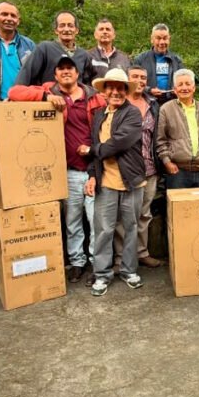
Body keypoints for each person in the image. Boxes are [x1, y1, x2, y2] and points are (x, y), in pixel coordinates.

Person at [9, 56, 107, 283]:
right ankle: (76, 262)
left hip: (93, 169)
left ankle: (96, 263)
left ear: (77, 73)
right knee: (72, 221)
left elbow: (104, 133)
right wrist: (45, 96)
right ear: (55, 74)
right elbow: (14, 93)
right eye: (60, 69)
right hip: (68, 170)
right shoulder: (49, 91)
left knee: (96, 221)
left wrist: (95, 168)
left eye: (70, 68)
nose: (65, 72)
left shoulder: (94, 97)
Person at [78, 69, 146, 297]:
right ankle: (102, 274)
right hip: (105, 182)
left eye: (120, 88)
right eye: (111, 87)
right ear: (104, 91)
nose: (115, 92)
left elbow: (119, 142)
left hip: (131, 181)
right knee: (104, 230)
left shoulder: (133, 114)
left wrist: (91, 150)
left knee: (130, 227)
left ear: (126, 91)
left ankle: (128, 271)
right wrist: (92, 174)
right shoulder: (99, 115)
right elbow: (96, 150)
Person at [114, 65, 164, 270]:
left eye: (143, 78)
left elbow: (156, 136)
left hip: (149, 168)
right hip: (124, 169)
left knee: (144, 213)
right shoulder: (119, 103)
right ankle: (120, 257)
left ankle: (141, 252)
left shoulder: (153, 104)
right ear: (127, 79)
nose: (140, 81)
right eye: (135, 77)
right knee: (122, 216)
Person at [156, 69, 199, 189]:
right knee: (178, 207)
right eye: (180, 84)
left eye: (188, 84)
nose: (184, 88)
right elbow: (160, 139)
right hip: (178, 171)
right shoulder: (166, 109)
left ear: (194, 88)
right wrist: (167, 162)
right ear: (175, 89)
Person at [15, 11, 90, 86]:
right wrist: (15, 92)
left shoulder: (84, 55)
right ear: (56, 30)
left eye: (70, 26)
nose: (66, 29)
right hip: (49, 96)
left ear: (76, 30)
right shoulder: (45, 48)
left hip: (76, 97)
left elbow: (87, 84)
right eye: (62, 25)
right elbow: (26, 74)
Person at [134, 24, 185, 105]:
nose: (162, 42)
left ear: (169, 39)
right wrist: (149, 90)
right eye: (158, 38)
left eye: (165, 38)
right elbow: (133, 82)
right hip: (147, 101)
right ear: (152, 39)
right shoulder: (140, 59)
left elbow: (183, 80)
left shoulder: (177, 60)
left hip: (171, 102)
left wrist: (177, 89)